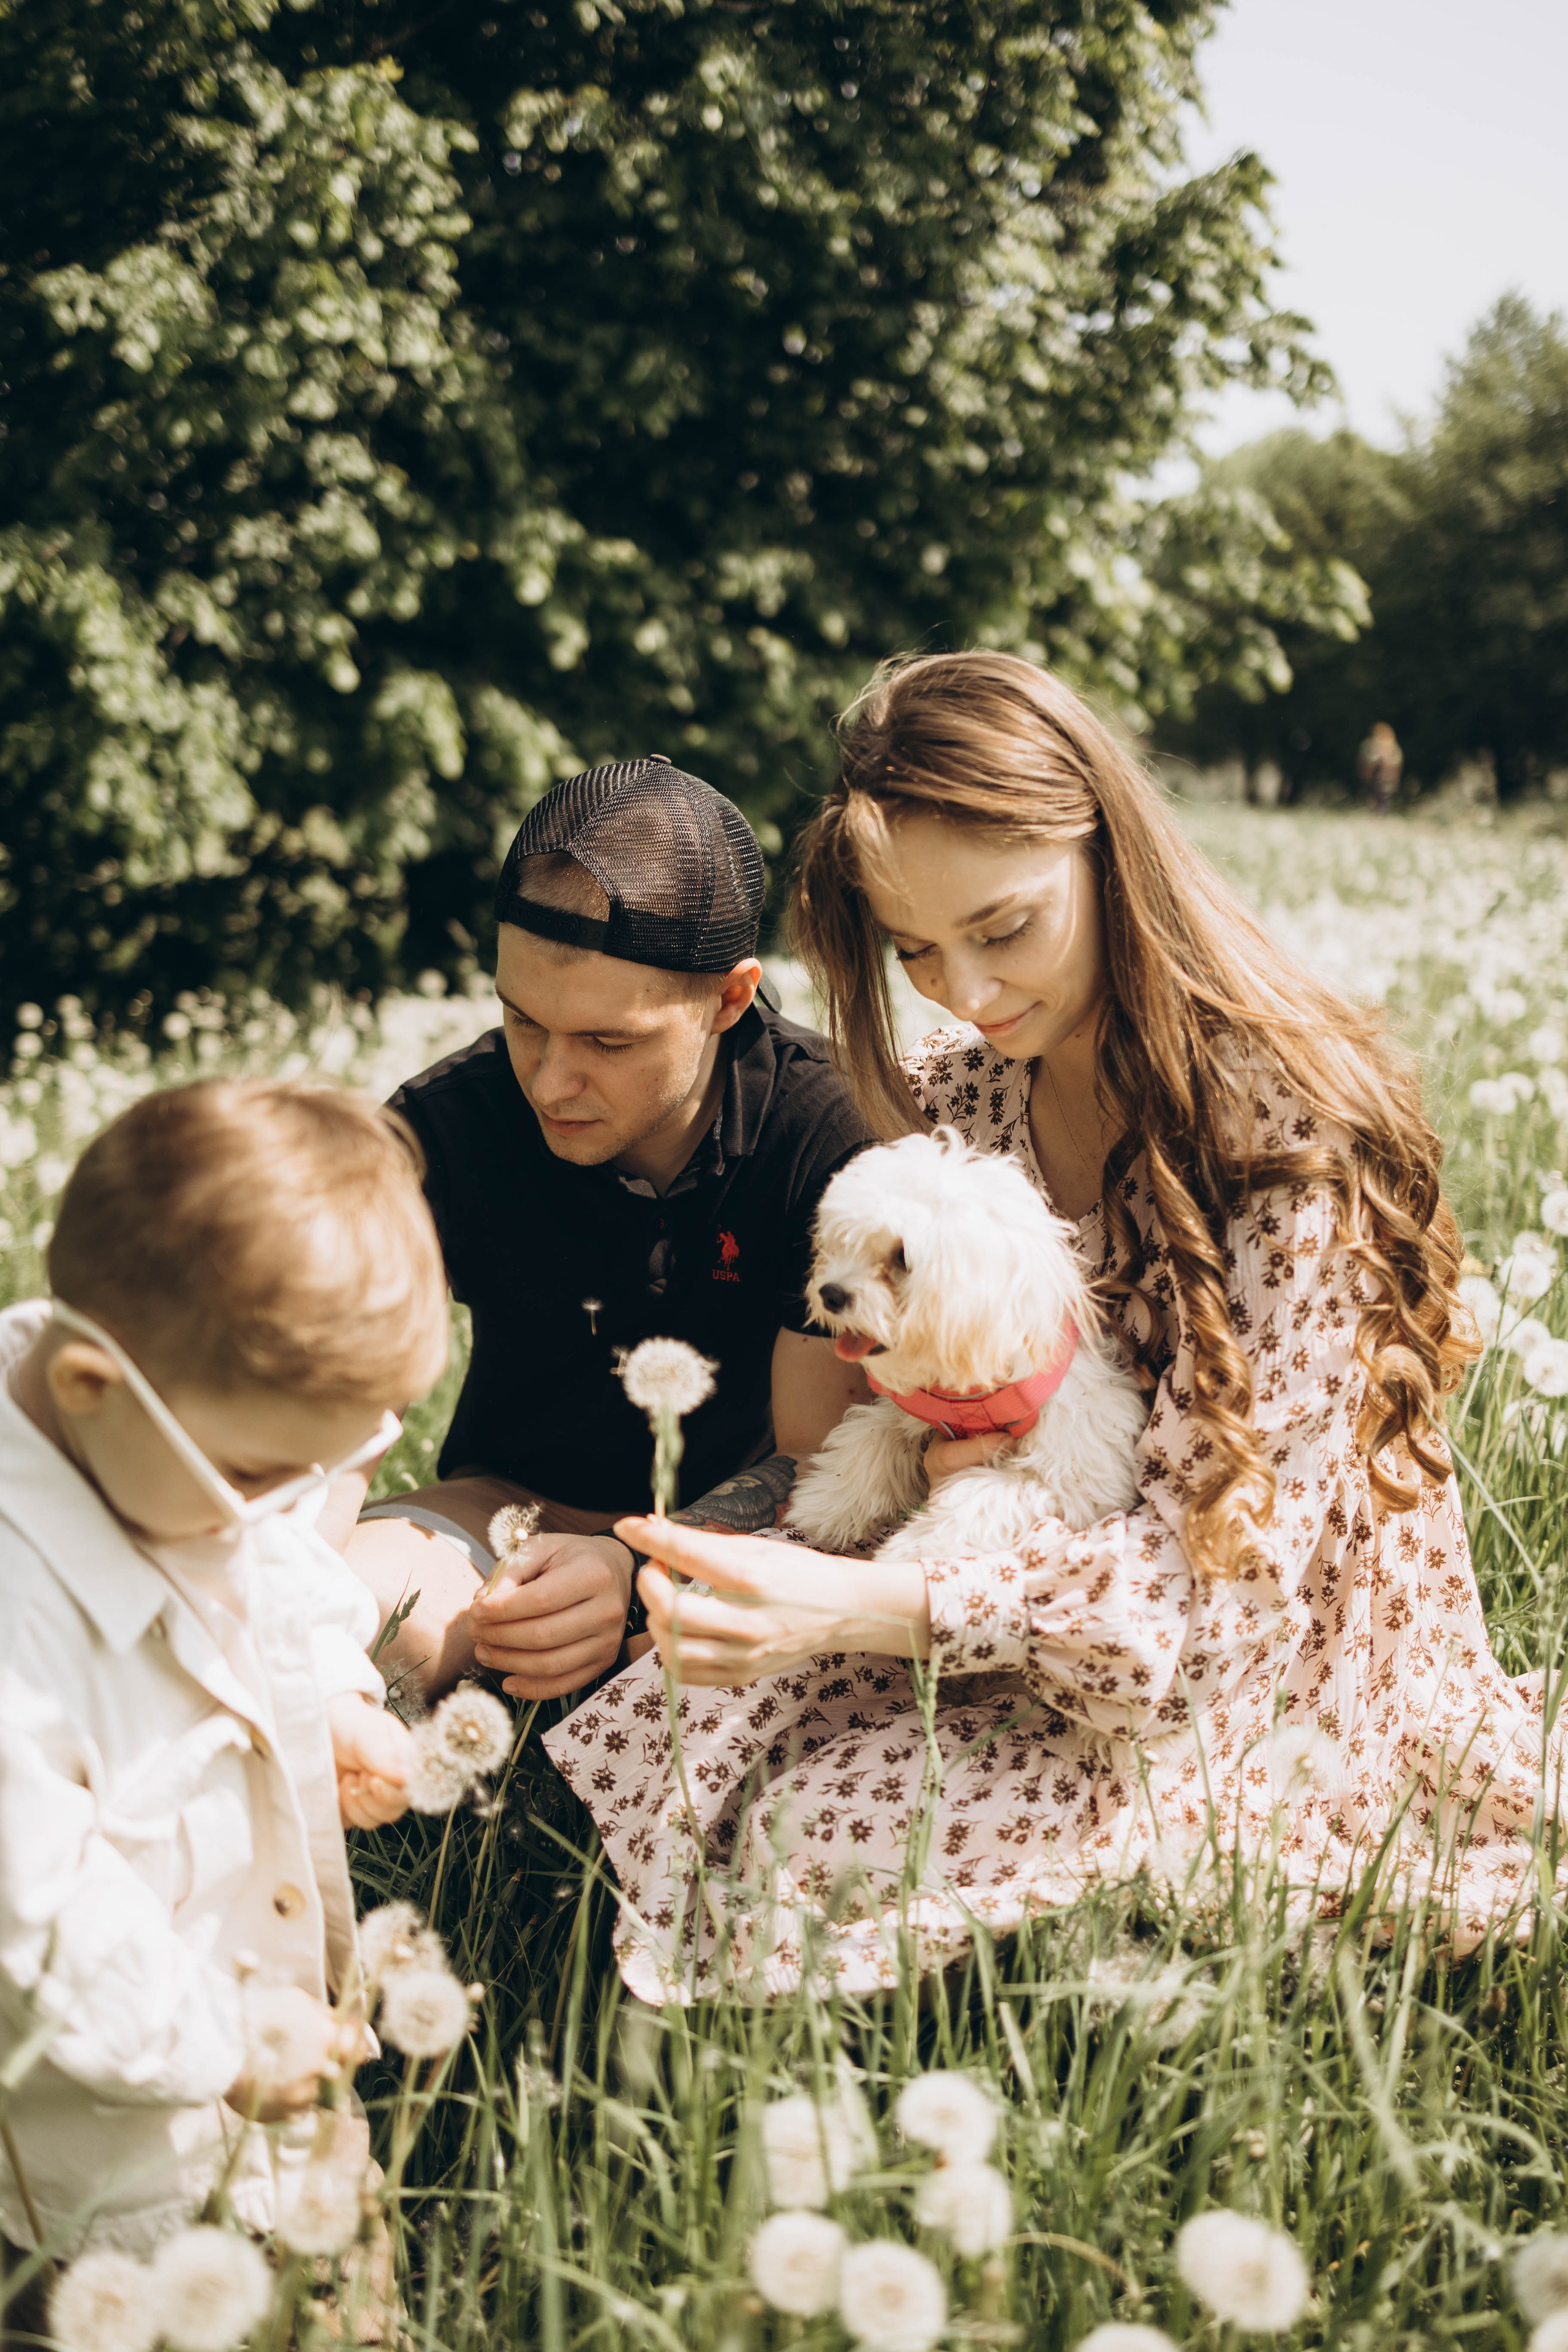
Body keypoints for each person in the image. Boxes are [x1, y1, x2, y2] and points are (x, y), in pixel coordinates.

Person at [545, 649, 1560, 2002]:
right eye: (915, 950)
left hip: (1255, 1671)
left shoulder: (1286, 1137)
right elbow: (838, 1428)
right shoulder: (967, 1095)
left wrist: (866, 1605)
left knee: (824, 1834)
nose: (965, 988)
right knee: (680, 1736)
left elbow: (1229, 1599)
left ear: (1107, 852)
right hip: (1002, 1597)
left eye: (1004, 928)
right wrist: (700, 1545)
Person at [0, 1080, 443, 2271]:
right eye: (257, 1476)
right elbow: (35, 1927)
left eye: (325, 1470)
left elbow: (280, 1570)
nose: (278, 1508)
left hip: (281, 2087)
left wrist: (334, 1692)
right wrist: (226, 2036)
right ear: (91, 1386)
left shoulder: (176, 1460)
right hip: (106, 2195)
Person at [338, 755, 874, 1702]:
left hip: (742, 1556)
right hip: (504, 1515)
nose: (549, 1082)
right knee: (363, 1623)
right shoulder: (445, 1126)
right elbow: (326, 1411)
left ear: (730, 999)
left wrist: (637, 1573)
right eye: (523, 1021)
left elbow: (818, 1463)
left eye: (607, 1041)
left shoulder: (824, 1135)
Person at [1357, 721, 1403, 812]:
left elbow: (1397, 766)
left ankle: (1381, 812)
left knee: (1384, 798)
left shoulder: (1395, 749)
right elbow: (1365, 764)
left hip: (1386, 781)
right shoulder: (1369, 746)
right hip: (1373, 780)